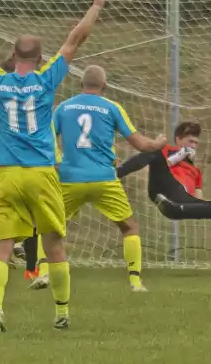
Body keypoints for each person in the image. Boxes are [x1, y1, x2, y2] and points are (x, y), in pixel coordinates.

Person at [0, 0, 106, 332]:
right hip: (41, 173)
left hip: (7, 174)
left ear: (13, 55)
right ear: (42, 59)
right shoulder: (47, 79)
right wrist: (96, 4)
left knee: (1, 247)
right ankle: (61, 312)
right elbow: (76, 39)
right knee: (54, 245)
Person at [50, 65, 166, 292]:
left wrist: (56, 162)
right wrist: (158, 143)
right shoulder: (112, 108)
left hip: (70, 178)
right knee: (129, 227)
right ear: (104, 85)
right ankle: (135, 282)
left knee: (52, 230)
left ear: (80, 84)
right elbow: (142, 144)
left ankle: (44, 273)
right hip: (104, 178)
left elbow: (46, 138)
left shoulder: (63, 107)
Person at [116, 122, 211, 219]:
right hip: (162, 187)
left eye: (196, 143)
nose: (193, 146)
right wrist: (179, 156)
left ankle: (173, 209)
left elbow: (197, 200)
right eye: (190, 141)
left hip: (180, 201)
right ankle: (116, 173)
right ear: (178, 140)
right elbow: (155, 161)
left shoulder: (196, 171)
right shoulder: (165, 150)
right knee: (155, 150)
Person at [0, 56, 35, 278]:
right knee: (34, 216)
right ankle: (32, 269)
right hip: (31, 164)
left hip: (1, 166)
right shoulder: (33, 95)